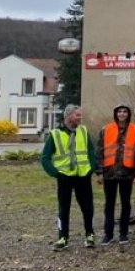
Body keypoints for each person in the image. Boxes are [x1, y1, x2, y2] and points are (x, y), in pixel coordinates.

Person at [40, 104, 97, 251]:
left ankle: (90, 234)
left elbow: (91, 151)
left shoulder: (83, 131)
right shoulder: (55, 134)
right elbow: (45, 158)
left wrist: (92, 168)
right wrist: (55, 172)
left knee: (87, 207)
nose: (80, 117)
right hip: (64, 176)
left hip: (83, 175)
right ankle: (63, 237)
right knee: (64, 208)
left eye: (80, 115)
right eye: (77, 115)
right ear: (69, 116)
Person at [95, 104, 135, 246]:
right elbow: (99, 152)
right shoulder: (106, 130)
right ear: (115, 114)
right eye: (119, 112)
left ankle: (124, 234)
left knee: (126, 204)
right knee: (109, 205)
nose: (122, 114)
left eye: (124, 112)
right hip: (109, 173)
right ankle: (108, 234)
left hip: (127, 173)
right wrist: (99, 172)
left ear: (128, 114)